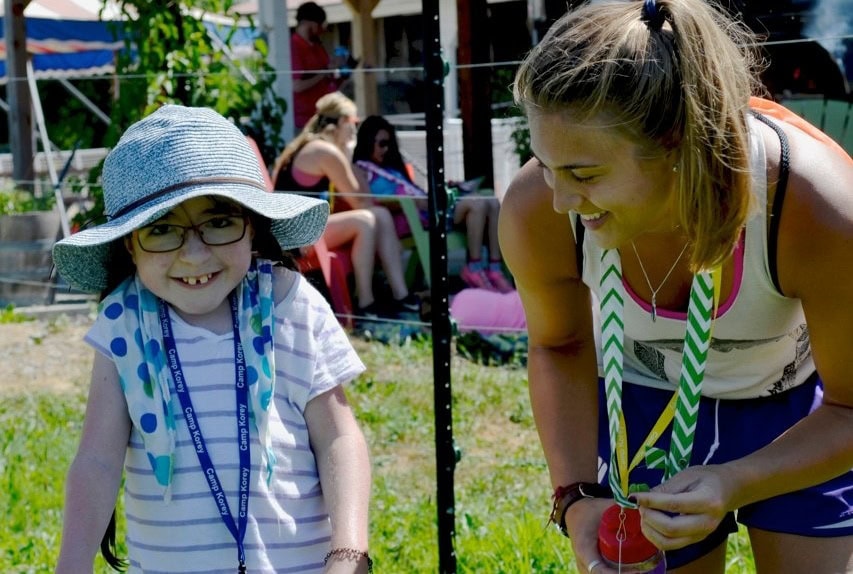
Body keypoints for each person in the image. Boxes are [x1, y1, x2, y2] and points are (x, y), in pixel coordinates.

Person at [500, 1, 853, 573]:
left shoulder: (813, 205)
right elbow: (559, 344)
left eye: (584, 175)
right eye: (544, 164)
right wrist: (574, 496)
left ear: (674, 143)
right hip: (642, 406)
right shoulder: (536, 209)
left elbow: (852, 406)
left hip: (801, 421)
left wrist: (735, 480)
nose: (560, 199)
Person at [52, 105, 372, 573]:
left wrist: (348, 553)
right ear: (129, 243)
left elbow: (339, 439)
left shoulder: (290, 304)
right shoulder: (124, 324)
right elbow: (97, 462)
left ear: (252, 223)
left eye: (219, 221)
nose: (195, 254)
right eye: (162, 230)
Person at [272, 92, 420, 320]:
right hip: (296, 238)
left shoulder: (313, 145)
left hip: (296, 231)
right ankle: (366, 304)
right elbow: (361, 199)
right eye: (354, 123)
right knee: (366, 219)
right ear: (342, 122)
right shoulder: (326, 151)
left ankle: (400, 295)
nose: (355, 130)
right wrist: (349, 154)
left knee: (378, 215)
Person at [352, 115, 514, 293]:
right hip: (418, 219)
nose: (386, 149)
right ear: (368, 142)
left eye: (389, 144)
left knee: (490, 201)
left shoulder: (392, 168)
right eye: (382, 143)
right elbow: (367, 201)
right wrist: (411, 202)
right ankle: (474, 267)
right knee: (477, 204)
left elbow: (416, 193)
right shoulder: (362, 170)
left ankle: (494, 268)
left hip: (430, 209)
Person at [291, 2, 349, 130]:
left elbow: (328, 78)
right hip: (305, 121)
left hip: (325, 116)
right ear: (309, 23)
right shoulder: (295, 46)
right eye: (319, 25)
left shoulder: (317, 46)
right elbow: (297, 86)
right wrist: (324, 72)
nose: (321, 30)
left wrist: (342, 70)